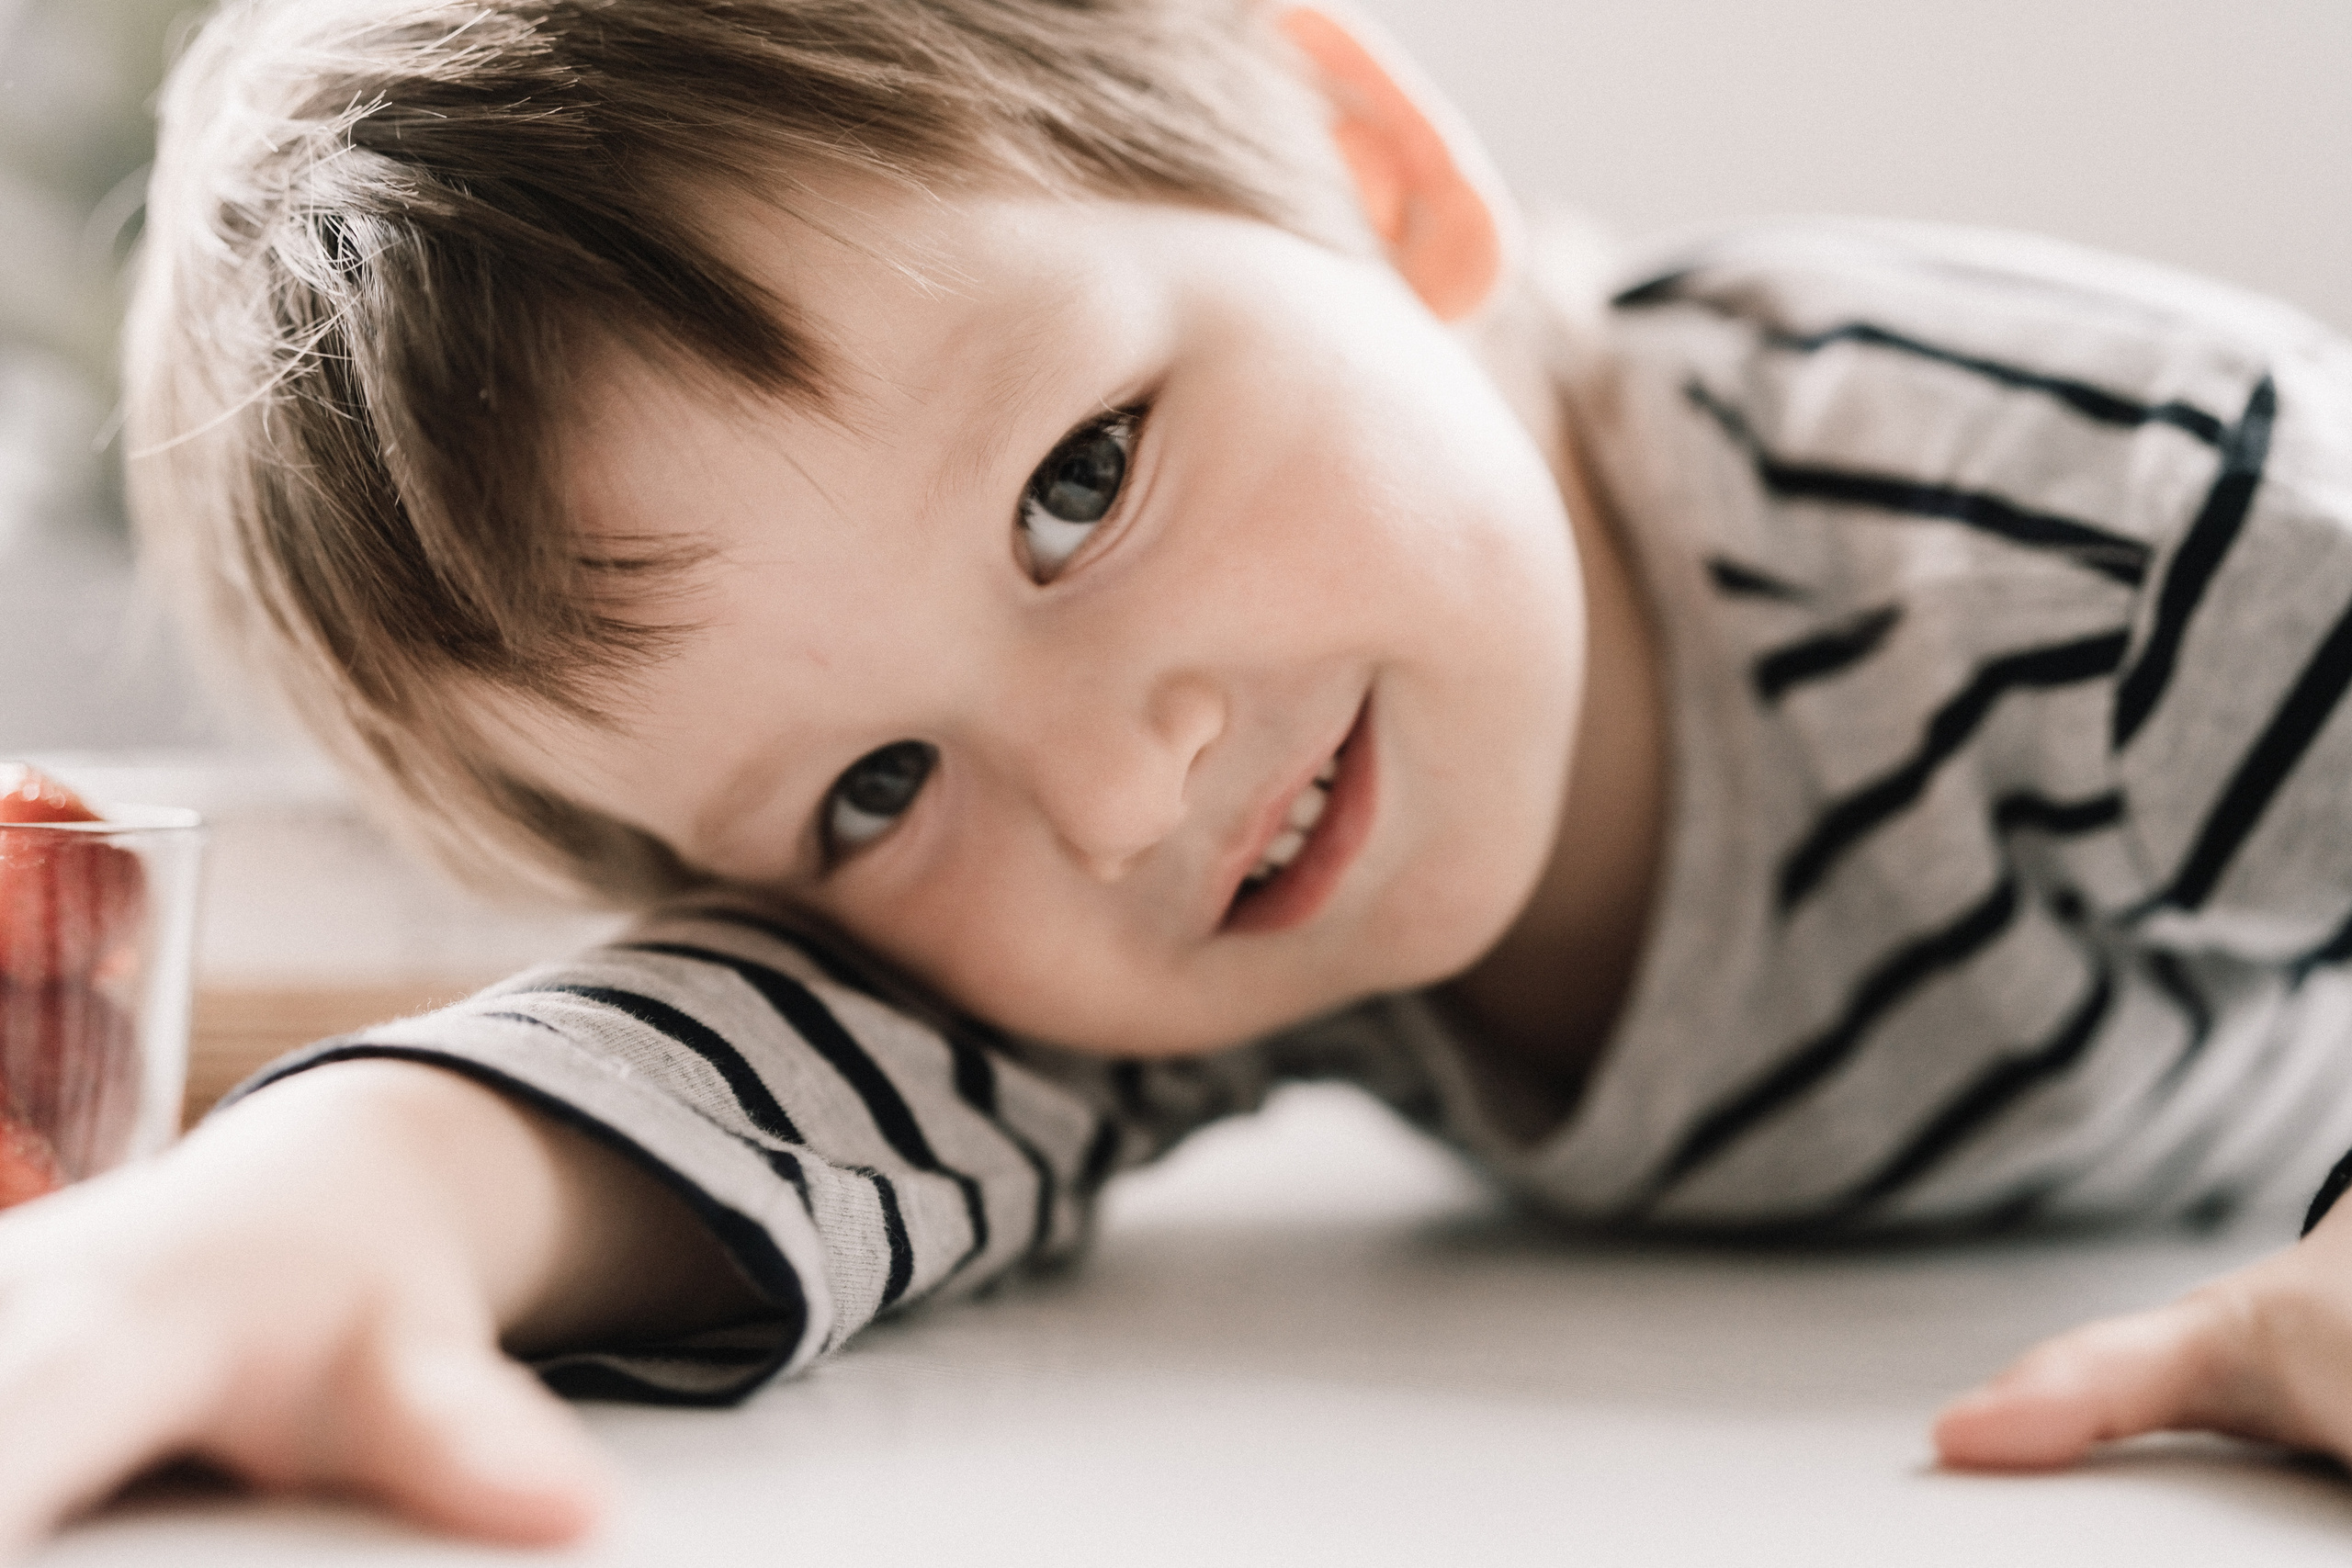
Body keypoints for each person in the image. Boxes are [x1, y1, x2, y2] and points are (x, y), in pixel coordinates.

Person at [6, 0, 2352, 1551]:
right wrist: (278, 1229)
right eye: (867, 787)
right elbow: (746, 1057)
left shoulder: (2089, 513)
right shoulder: (1157, 875)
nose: (1113, 801)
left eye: (1079, 484)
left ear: (1366, 167)